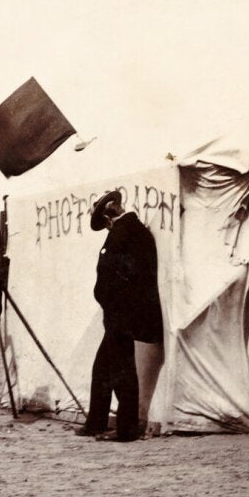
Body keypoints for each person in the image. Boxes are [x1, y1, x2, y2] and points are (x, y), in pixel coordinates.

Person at [77, 189, 163, 441]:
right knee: (103, 368)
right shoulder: (138, 232)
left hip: (121, 317)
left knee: (122, 372)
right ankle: (96, 422)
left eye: (105, 221)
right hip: (124, 315)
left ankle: (125, 429)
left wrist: (108, 301)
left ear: (109, 215)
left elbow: (116, 276)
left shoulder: (122, 235)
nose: (106, 226)